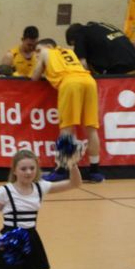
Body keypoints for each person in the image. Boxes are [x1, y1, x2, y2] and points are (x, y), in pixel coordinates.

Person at [31, 39, 105, 183]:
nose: (37, 54)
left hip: (70, 83)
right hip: (89, 81)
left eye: (38, 50)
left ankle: (62, 170)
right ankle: (95, 171)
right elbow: (83, 66)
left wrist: (44, 69)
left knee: (67, 129)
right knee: (91, 128)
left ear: (48, 46)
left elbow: (34, 77)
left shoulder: (46, 52)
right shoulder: (69, 52)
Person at [65, 22, 135, 74]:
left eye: (74, 44)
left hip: (121, 68)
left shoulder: (80, 33)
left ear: (73, 38)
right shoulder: (101, 27)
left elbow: (83, 64)